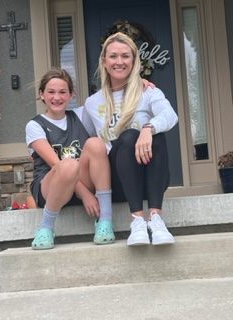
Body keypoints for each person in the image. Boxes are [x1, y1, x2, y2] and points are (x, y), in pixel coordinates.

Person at [82, 32, 178, 246]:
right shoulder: (91, 103)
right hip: (118, 183)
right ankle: (137, 221)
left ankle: (155, 218)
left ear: (134, 61)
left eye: (125, 56)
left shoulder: (148, 92)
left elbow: (170, 115)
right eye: (113, 56)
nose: (119, 62)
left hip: (151, 180)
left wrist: (148, 128)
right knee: (128, 137)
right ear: (104, 62)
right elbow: (88, 142)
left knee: (156, 134)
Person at [25, 68, 115, 250]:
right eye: (51, 92)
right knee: (67, 165)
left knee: (96, 144)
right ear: (41, 95)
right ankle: (46, 228)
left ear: (71, 95)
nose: (56, 97)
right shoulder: (35, 125)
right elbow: (55, 165)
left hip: (81, 180)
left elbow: (113, 98)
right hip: (50, 189)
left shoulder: (81, 115)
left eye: (62, 92)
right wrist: (86, 195)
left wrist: (139, 84)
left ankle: (105, 221)